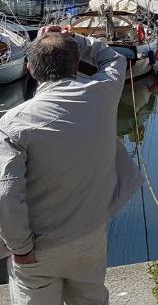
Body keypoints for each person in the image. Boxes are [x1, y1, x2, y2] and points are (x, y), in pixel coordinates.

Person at [0, 30, 142, 304]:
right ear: (76, 65)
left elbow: (6, 195)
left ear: (30, 69)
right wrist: (75, 39)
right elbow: (114, 59)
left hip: (39, 248)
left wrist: (21, 248)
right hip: (90, 234)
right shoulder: (102, 93)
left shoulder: (12, 125)